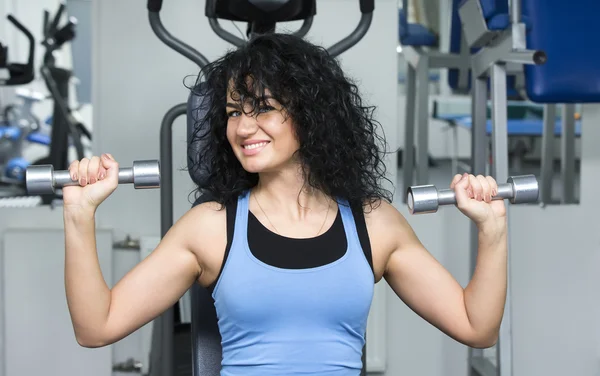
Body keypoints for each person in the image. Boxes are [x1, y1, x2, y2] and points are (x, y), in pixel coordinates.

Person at [62, 33, 507, 375]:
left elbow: (476, 326)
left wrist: (492, 229)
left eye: (264, 108)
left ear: (311, 115)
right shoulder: (211, 228)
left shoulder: (374, 224)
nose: (243, 127)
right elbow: (96, 327)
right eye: (234, 112)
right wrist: (79, 216)